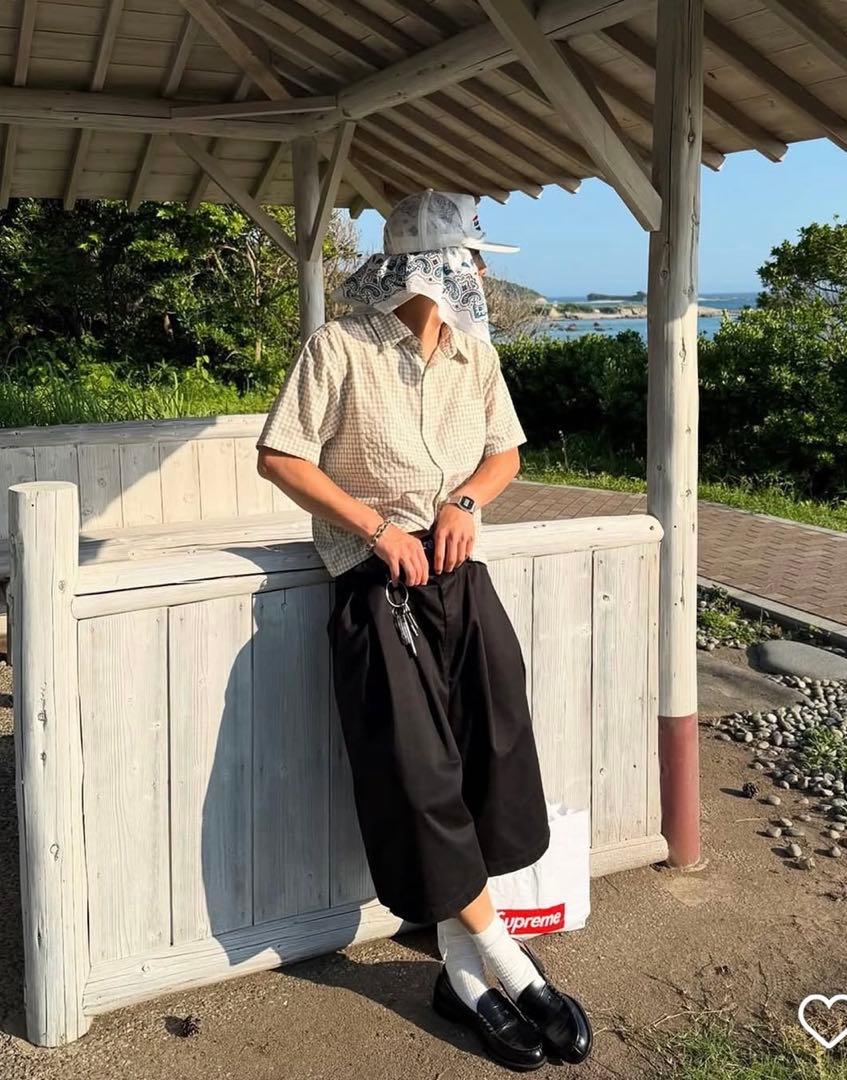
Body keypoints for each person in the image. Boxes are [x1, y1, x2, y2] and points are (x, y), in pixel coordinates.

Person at [256, 189, 591, 1071]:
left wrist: (466, 502)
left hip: (460, 581)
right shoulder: (339, 348)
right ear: (431, 268)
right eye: (469, 258)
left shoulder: (475, 354)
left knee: (493, 749)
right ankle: (508, 968)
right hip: (376, 587)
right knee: (417, 773)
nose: (477, 272)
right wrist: (376, 529)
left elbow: (504, 450)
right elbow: (281, 455)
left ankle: (459, 973)